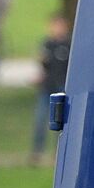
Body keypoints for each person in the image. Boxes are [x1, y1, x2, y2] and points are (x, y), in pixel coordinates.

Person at [30, 14, 69, 165]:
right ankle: (37, 152)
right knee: (40, 120)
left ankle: (58, 153)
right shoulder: (47, 44)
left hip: (61, 88)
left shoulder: (68, 45)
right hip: (47, 88)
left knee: (60, 123)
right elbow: (44, 66)